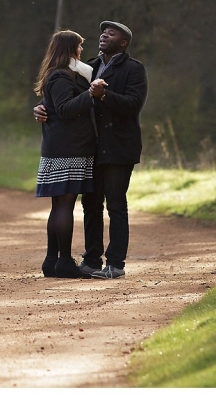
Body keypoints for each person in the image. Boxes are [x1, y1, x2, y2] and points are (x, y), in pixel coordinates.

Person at [34, 20, 148, 279]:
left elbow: (133, 104)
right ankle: (92, 260)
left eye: (112, 32)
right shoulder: (89, 67)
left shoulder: (133, 69)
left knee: (116, 205)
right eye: (103, 31)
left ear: (123, 42)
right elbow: (59, 91)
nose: (104, 34)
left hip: (119, 148)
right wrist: (41, 108)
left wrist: (103, 95)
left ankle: (115, 264)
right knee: (91, 205)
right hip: (91, 149)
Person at [33, 30, 98, 279]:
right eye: (79, 46)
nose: (82, 50)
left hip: (61, 147)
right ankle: (64, 262)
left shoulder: (64, 73)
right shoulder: (61, 76)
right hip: (68, 149)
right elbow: (64, 109)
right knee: (64, 206)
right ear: (69, 48)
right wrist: (90, 94)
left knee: (59, 205)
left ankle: (52, 261)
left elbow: (51, 107)